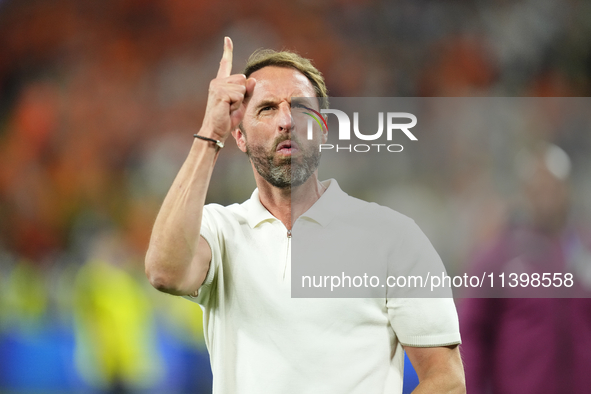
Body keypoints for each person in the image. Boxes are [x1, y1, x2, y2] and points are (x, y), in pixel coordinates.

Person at [145, 37, 465, 394]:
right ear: (240, 134)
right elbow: (164, 272)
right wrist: (210, 132)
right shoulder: (218, 232)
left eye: (300, 108)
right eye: (267, 109)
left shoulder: (394, 237)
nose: (286, 121)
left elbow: (446, 381)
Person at [459, 143, 591, 393]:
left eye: (552, 187)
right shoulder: (497, 258)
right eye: (538, 188)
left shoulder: (584, 250)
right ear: (524, 192)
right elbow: (472, 335)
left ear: (567, 189)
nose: (546, 196)